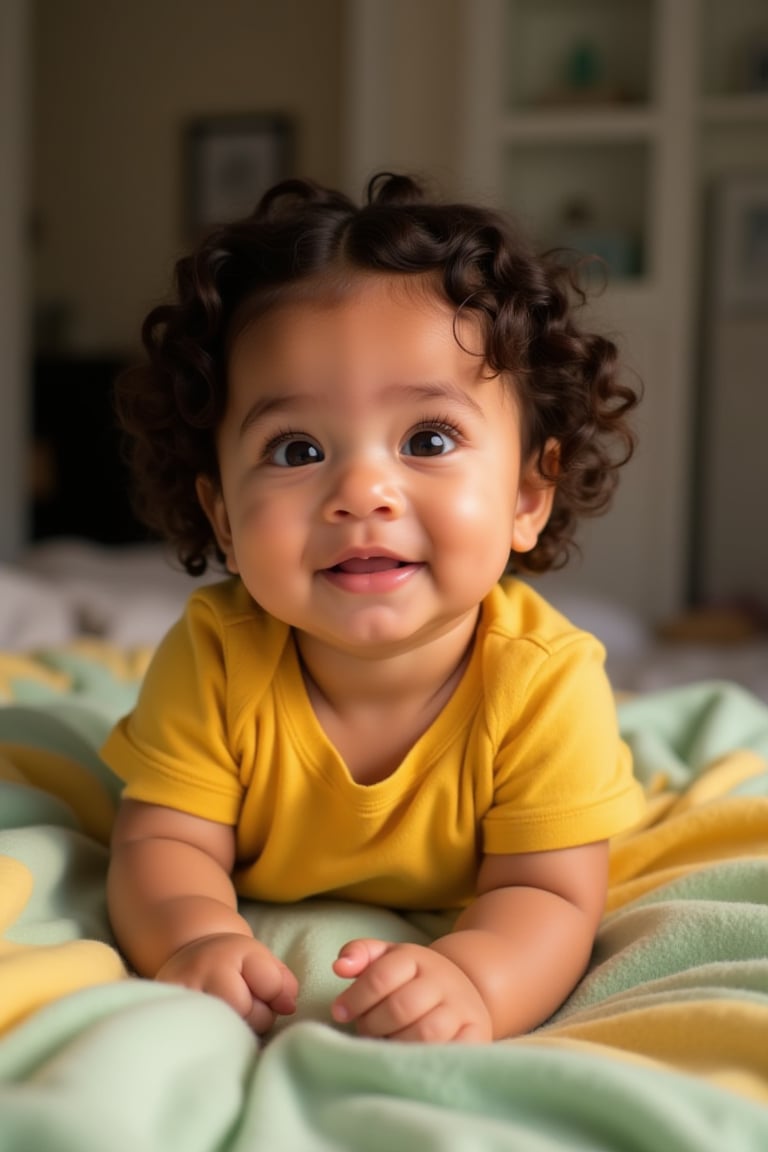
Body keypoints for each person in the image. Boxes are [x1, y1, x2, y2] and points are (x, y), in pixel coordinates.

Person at [103, 172, 646, 1044]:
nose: (362, 491)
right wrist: (195, 935)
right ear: (223, 519)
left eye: (428, 439)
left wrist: (474, 979)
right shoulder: (215, 654)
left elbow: (547, 893)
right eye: (297, 448)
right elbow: (160, 847)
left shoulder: (545, 683)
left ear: (527, 495)